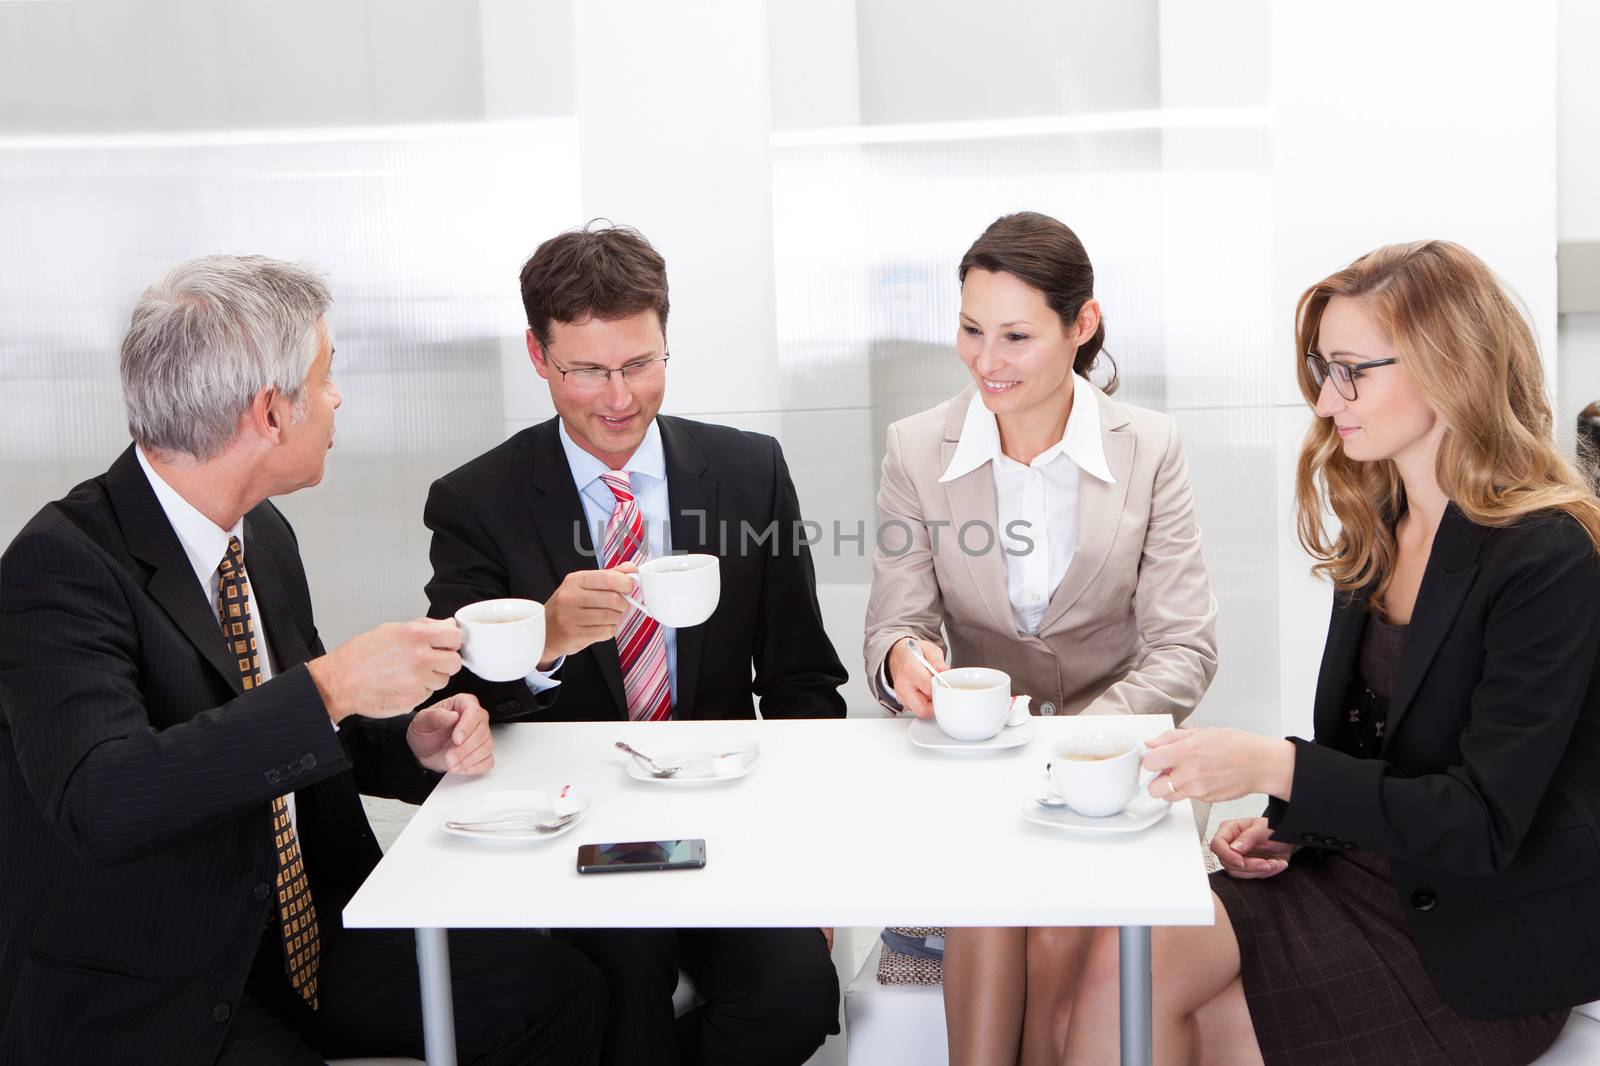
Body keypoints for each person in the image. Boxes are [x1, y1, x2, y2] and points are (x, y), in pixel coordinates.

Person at [0, 256, 604, 1066]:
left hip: (303, 929)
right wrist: (332, 686)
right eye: (326, 377)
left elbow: (292, 735)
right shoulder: (59, 563)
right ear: (270, 414)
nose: (337, 398)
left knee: (561, 994)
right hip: (159, 980)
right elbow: (100, 798)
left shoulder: (262, 533)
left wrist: (406, 742)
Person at [1063, 240, 1600, 1066]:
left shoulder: (1546, 554)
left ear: (1448, 366)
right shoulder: (1380, 526)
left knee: (1168, 1025)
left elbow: (1481, 823)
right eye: (1322, 368)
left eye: (1352, 370)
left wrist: (1277, 768)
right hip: (1362, 880)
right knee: (1122, 961)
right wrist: (1296, 825)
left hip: (1480, 940)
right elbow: (1379, 758)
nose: (1324, 399)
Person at [423, 222, 846, 1066]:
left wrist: (810, 854)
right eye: (587, 370)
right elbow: (451, 706)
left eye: (640, 364)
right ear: (539, 357)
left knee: (796, 994)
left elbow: (803, 680)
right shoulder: (476, 500)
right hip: (576, 828)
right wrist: (543, 639)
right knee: (623, 978)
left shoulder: (748, 470)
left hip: (730, 816)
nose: (618, 398)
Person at [862, 211, 1218, 1066]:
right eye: (971, 329)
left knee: (1057, 913)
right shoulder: (917, 450)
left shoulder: (1150, 447)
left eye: (1017, 335)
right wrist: (906, 663)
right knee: (988, 891)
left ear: (1081, 325)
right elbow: (894, 625)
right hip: (979, 761)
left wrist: (1076, 745)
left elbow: (1184, 649)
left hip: (1115, 760)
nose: (988, 360)